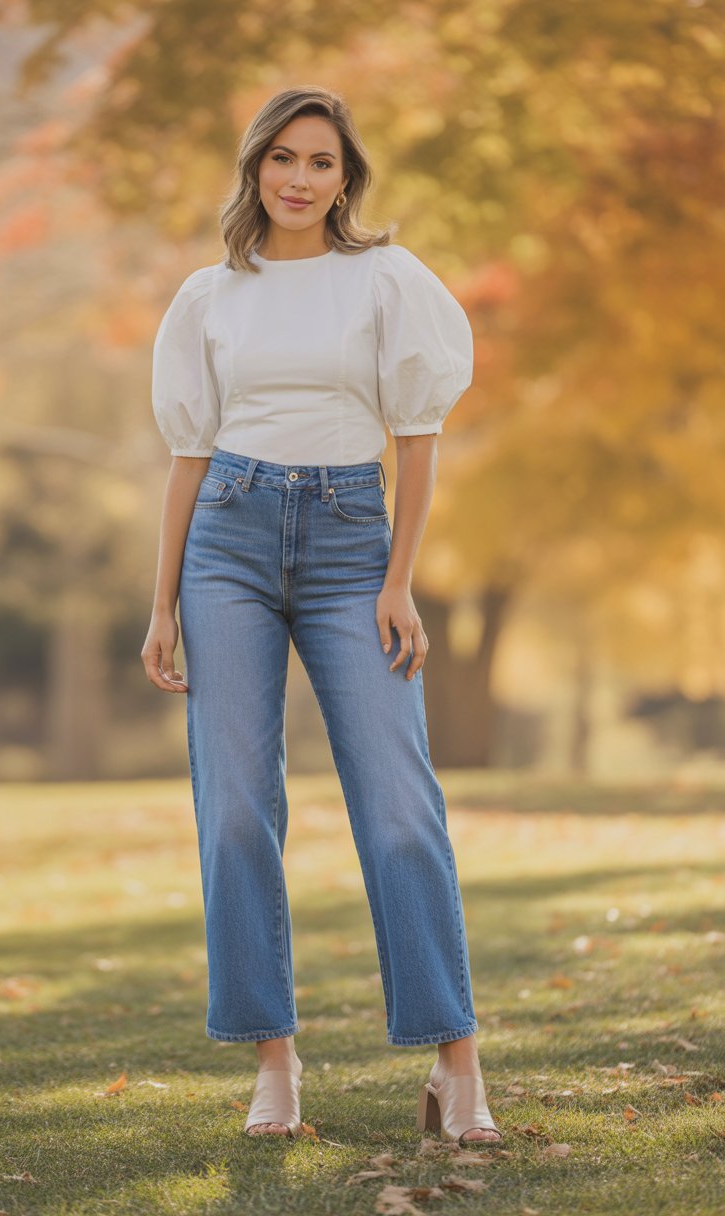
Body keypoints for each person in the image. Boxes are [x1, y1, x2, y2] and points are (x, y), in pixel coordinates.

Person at [142, 85, 503, 1146]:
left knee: (399, 807)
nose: (300, 180)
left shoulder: (385, 279)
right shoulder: (208, 296)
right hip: (227, 541)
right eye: (284, 159)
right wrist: (160, 603)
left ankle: (457, 1063)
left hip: (353, 543)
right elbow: (187, 459)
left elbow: (419, 438)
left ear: (347, 181)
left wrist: (399, 580)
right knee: (238, 811)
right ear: (255, 168)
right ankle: (273, 1064)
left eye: (323, 163)